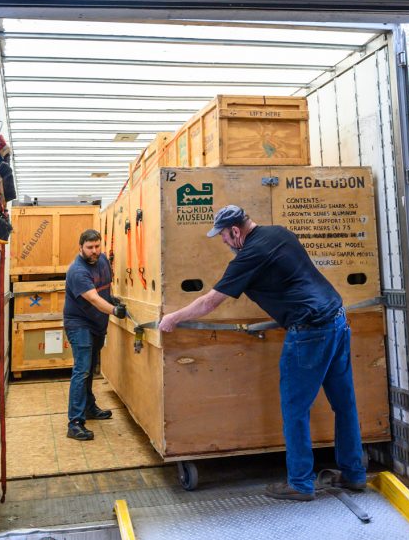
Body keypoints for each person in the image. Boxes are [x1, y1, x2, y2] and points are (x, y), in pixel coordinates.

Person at [158, 205, 366, 501]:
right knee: (344, 404)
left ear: (235, 231)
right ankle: (355, 474)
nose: (224, 243)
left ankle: (301, 483)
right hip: (338, 320)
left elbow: (209, 303)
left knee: (295, 411)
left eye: (224, 237)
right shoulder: (280, 233)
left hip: (308, 332)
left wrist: (173, 318)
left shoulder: (250, 256)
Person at [63, 228, 126, 440]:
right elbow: (94, 298)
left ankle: (89, 408)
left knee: (90, 368)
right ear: (81, 247)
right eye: (90, 247)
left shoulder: (103, 261)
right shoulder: (77, 271)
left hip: (97, 324)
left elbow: (104, 289)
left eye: (97, 246)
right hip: (79, 324)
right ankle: (75, 422)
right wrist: (114, 310)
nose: (94, 251)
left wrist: (113, 299)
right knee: (82, 370)